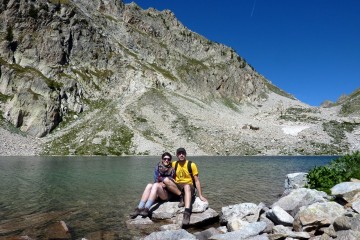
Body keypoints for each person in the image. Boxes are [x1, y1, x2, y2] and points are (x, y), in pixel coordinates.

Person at [163, 147, 207, 226]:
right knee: (166, 180)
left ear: (185, 154)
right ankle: (181, 197)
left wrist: (200, 195)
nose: (181, 155)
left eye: (183, 153)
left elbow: (197, 180)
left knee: (186, 186)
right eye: (179, 153)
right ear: (177, 155)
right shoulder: (174, 164)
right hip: (178, 186)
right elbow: (164, 166)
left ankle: (187, 212)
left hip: (189, 185)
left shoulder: (191, 164)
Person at [130, 152, 175, 218]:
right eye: (165, 159)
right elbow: (156, 180)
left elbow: (172, 182)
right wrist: (160, 183)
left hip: (167, 194)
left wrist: (164, 182)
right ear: (162, 159)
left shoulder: (172, 169)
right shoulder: (158, 167)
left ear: (170, 160)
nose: (166, 160)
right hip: (158, 191)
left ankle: (146, 209)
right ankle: (139, 208)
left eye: (168, 159)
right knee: (149, 185)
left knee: (156, 185)